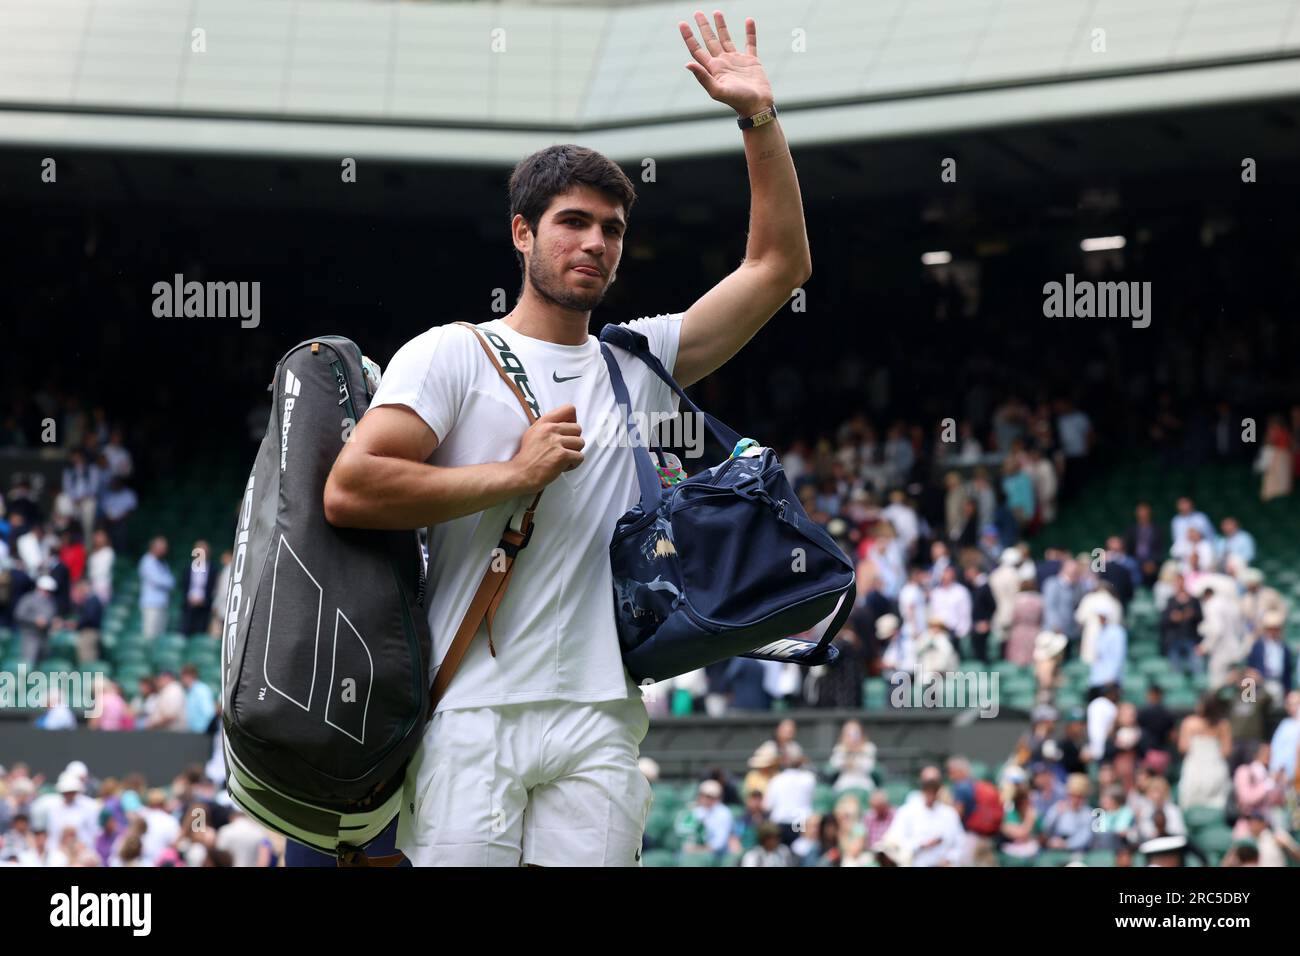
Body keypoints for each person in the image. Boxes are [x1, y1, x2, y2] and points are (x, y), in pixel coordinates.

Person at [321, 18, 810, 865]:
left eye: (612, 229)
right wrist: (511, 474)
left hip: (600, 716)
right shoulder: (453, 353)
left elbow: (778, 268)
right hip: (470, 711)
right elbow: (352, 488)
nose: (594, 243)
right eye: (573, 222)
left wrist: (758, 120)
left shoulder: (637, 360)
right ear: (522, 233)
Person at [881, 766, 963, 867]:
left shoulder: (950, 813)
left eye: (934, 786)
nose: (931, 792)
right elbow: (895, 842)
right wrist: (920, 844)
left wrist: (949, 859)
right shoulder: (907, 811)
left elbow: (959, 844)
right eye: (927, 786)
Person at [1176, 694, 1232, 810]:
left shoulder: (1189, 723)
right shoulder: (1223, 725)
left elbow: (1183, 747)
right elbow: (1226, 751)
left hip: (1195, 768)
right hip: (1215, 767)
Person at [14, 574, 58, 666]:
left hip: (45, 638)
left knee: (43, 666)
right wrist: (35, 620)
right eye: (46, 590)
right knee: (29, 663)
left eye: (49, 591)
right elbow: (19, 614)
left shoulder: (51, 602)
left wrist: (51, 622)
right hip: (30, 636)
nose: (48, 593)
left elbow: (51, 616)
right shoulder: (28, 599)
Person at [138, 536, 174, 640]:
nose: (164, 550)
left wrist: (166, 581)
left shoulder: (163, 563)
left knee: (160, 636)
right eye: (161, 547)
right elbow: (158, 580)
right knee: (149, 635)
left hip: (162, 603)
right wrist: (166, 581)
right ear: (154, 547)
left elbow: (172, 582)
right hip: (151, 605)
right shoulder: (147, 561)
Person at [180, 663, 217, 733]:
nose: (182, 679)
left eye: (183, 676)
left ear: (189, 676)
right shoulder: (189, 691)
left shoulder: (201, 690)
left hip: (203, 733)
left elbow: (209, 713)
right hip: (194, 733)